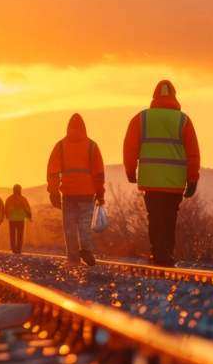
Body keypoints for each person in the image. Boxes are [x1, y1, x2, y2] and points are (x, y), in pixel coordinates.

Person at [123, 80, 200, 268]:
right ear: (174, 95)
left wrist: (131, 170)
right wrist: (193, 178)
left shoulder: (141, 118)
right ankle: (168, 254)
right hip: (174, 181)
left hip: (151, 179)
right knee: (170, 218)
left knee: (155, 217)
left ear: (154, 96)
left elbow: (130, 147)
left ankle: (159, 253)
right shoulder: (183, 120)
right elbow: (192, 152)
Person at [46, 113, 105, 266]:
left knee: (70, 228)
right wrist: (100, 193)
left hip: (69, 194)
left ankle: (73, 259)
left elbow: (55, 171)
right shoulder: (92, 146)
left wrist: (54, 190)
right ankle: (86, 249)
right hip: (87, 193)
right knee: (85, 225)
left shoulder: (60, 146)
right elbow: (97, 173)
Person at [5, 184, 32, 254]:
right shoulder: (22, 198)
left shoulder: (9, 198)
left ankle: (14, 249)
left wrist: (6, 215)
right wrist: (29, 216)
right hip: (20, 219)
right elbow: (27, 208)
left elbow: (6, 208)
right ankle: (18, 249)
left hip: (12, 219)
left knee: (12, 235)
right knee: (20, 235)